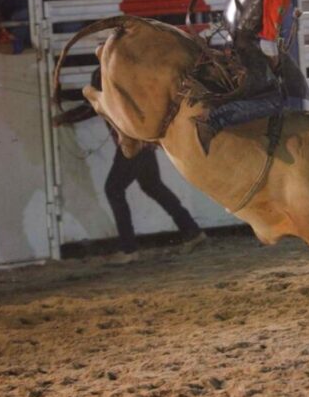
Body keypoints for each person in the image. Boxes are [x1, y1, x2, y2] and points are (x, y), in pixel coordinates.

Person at [54, 69, 206, 264]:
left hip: (133, 146)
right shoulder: (119, 78)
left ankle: (128, 249)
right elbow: (90, 101)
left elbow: (90, 106)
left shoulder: (107, 81)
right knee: (152, 186)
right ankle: (192, 231)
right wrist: (61, 96)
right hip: (142, 143)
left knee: (114, 189)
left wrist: (62, 116)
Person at [194, 0, 309, 154]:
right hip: (248, 47)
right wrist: (276, 65)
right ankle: (213, 120)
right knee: (276, 99)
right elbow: (269, 41)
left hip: (228, 33)